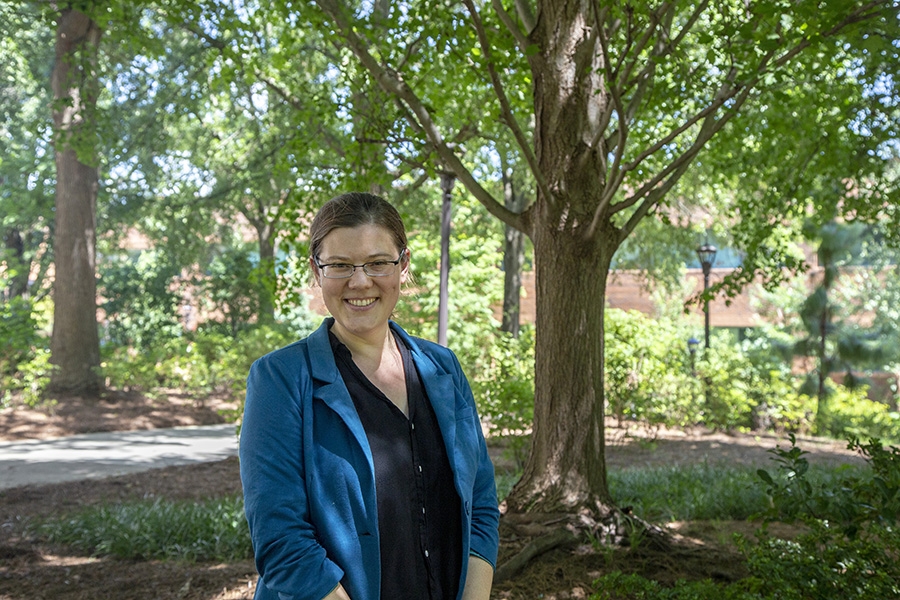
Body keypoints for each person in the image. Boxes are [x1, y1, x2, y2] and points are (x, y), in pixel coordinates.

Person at [239, 192, 500, 600]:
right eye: (340, 265)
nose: (360, 281)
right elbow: (281, 542)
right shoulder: (280, 380)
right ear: (316, 270)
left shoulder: (443, 368)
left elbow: (480, 502)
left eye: (378, 263)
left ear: (403, 265)